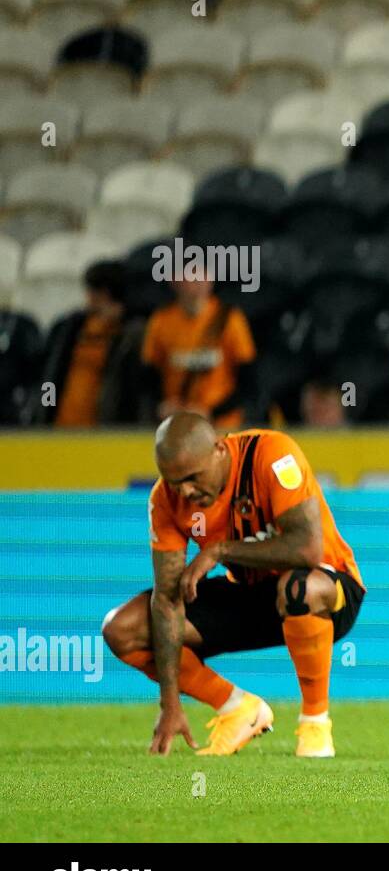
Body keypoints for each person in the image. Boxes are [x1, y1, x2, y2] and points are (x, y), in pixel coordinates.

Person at [100, 413, 365, 758]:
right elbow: (166, 602)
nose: (186, 492)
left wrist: (220, 550)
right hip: (252, 597)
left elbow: (307, 549)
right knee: (122, 629)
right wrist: (169, 703)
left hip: (327, 589)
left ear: (219, 450)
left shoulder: (271, 455)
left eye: (193, 478)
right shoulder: (165, 500)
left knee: (299, 588)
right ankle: (237, 708)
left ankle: (315, 723)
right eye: (174, 481)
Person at [36, 260, 149, 426]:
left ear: (104, 293)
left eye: (92, 291)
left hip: (102, 431)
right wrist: (44, 413)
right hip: (60, 426)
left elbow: (137, 388)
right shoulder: (70, 327)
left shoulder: (132, 333)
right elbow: (51, 377)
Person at [140, 271, 256, 429]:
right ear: (175, 281)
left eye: (201, 276)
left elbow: (247, 378)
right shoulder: (161, 321)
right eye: (189, 277)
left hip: (222, 423)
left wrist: (212, 412)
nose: (196, 284)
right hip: (177, 424)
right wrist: (161, 405)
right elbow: (148, 375)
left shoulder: (229, 319)